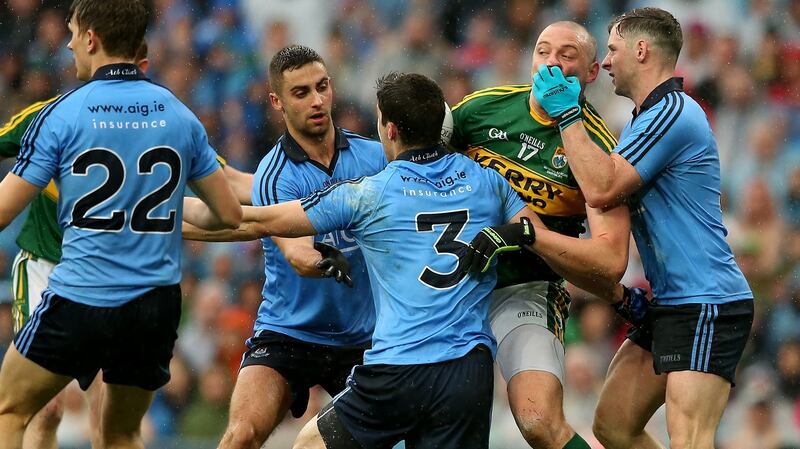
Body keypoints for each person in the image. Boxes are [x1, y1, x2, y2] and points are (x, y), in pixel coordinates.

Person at [185, 71, 531, 449]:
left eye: (322, 87)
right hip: (467, 370)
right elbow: (535, 233)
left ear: (390, 130)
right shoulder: (488, 182)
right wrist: (514, 234)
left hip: (396, 365)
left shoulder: (369, 190)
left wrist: (155, 216)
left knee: (308, 445)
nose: (317, 100)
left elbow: (254, 221)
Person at [0, 1, 242, 448]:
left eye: (74, 34)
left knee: (10, 409)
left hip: (82, 296)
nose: (69, 44)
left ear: (91, 39)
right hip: (154, 307)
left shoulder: (62, 113)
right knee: (122, 433)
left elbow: (2, 212)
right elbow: (228, 215)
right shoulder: (179, 115)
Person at [532, 7, 754, 449]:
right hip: (670, 301)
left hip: (707, 300)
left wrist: (567, 115)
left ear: (640, 50)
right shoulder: (642, 118)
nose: (606, 62)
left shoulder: (674, 112)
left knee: (689, 440)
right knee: (613, 426)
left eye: (612, 50)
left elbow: (602, 188)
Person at [183, 44, 386, 449]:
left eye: (322, 87)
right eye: (301, 92)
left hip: (364, 338)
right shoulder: (275, 175)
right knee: (241, 436)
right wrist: (326, 260)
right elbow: (297, 254)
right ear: (277, 101)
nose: (317, 101)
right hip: (289, 332)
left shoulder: (376, 158)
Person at [447, 21, 631, 449]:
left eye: (567, 55)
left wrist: (525, 235)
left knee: (538, 422)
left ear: (591, 72)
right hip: (457, 283)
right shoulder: (480, 108)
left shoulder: (601, 148)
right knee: (433, 411)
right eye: (543, 51)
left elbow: (610, 263)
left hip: (527, 289)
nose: (551, 63)